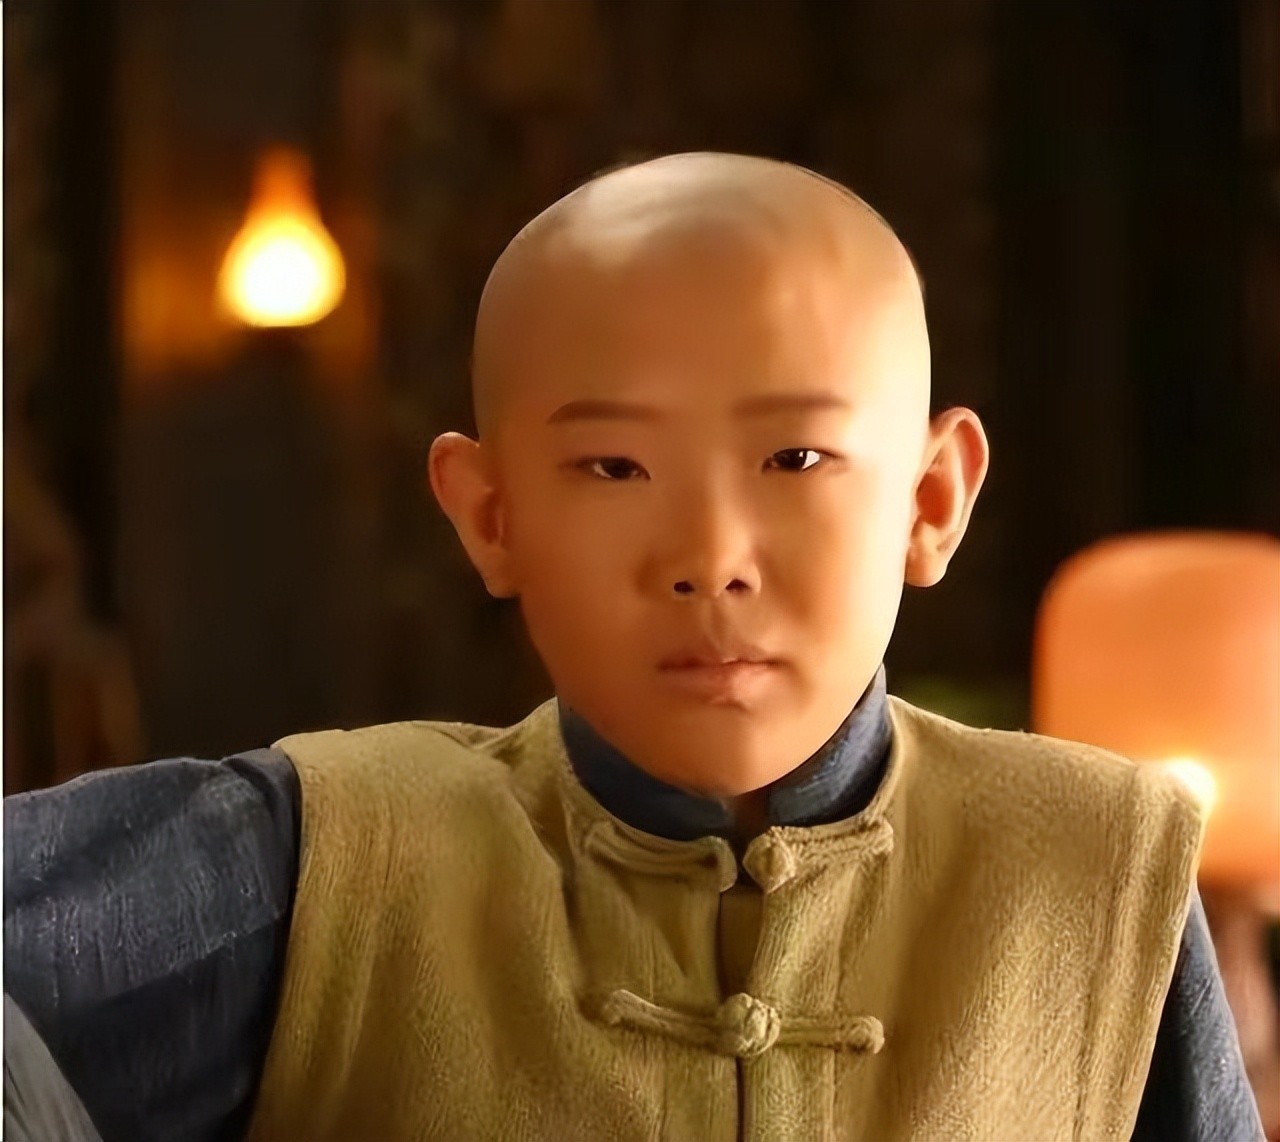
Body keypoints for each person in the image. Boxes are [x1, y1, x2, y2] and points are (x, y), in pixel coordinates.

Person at [4, 153, 1264, 1141]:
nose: (708, 555)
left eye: (795, 457)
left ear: (930, 498)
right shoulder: (325, 851)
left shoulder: (1097, 864)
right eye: (612, 465)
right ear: (490, 515)